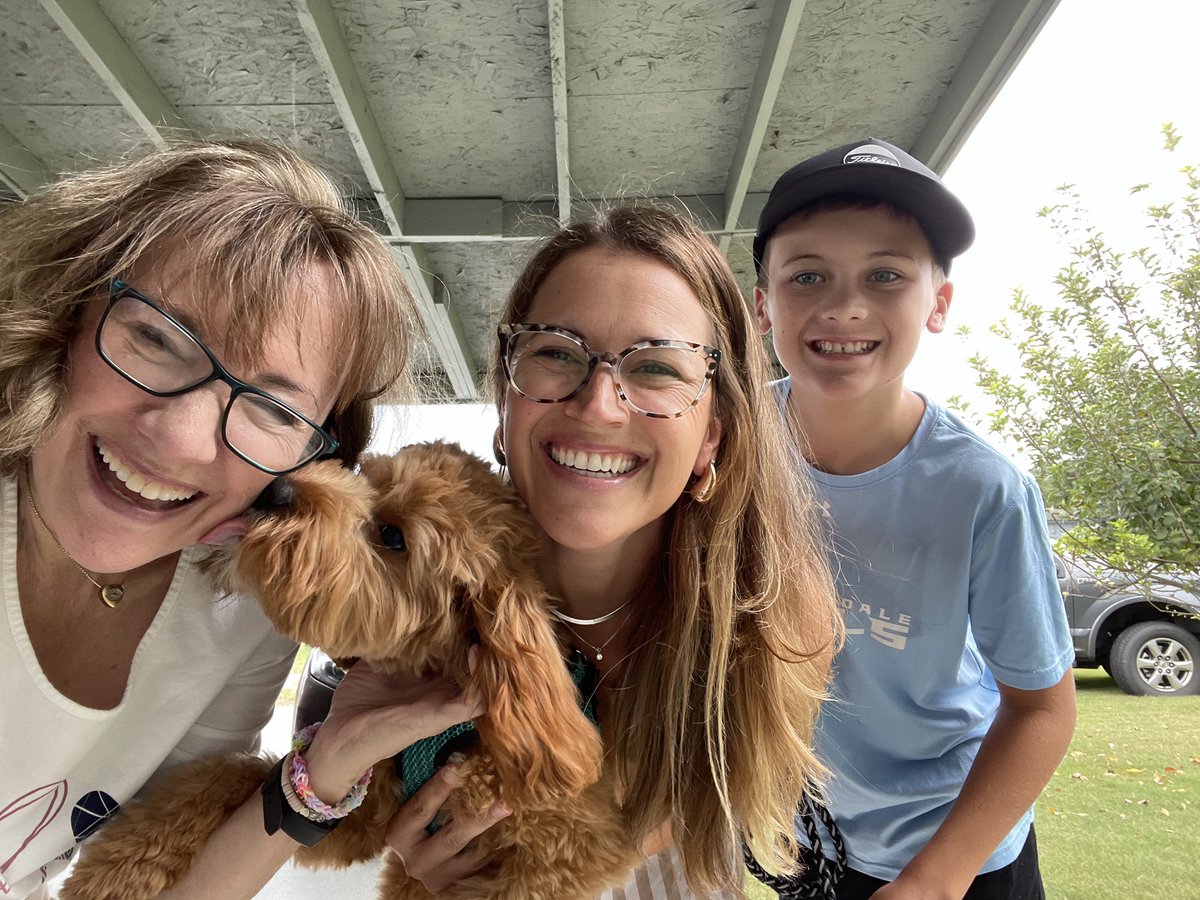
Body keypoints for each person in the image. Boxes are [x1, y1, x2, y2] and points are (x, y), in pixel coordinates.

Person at [0, 138, 485, 899]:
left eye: (271, 407)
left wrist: (329, 764)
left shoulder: (242, 621)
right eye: (157, 338)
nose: (183, 437)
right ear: (66, 308)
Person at [404, 205, 841, 897]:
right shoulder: (418, 587)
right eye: (555, 351)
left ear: (713, 440)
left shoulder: (772, 626)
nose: (598, 404)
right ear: (506, 396)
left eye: (657, 368)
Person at [752, 137, 1078, 899]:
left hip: (956, 854)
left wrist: (938, 878)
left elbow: (1041, 710)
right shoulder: (728, 447)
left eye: (886, 274)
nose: (844, 306)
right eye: (808, 275)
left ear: (938, 303)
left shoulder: (982, 489)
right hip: (811, 842)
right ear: (764, 301)